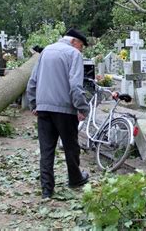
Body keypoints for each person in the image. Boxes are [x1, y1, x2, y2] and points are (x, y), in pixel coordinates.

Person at [26, 28, 90, 199]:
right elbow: (76, 86)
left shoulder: (46, 51)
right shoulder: (73, 54)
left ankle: (47, 190)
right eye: (81, 46)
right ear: (75, 42)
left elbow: (32, 81)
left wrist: (33, 104)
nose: (81, 50)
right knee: (71, 146)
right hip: (65, 109)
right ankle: (75, 179)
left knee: (46, 149)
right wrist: (83, 108)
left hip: (44, 108)